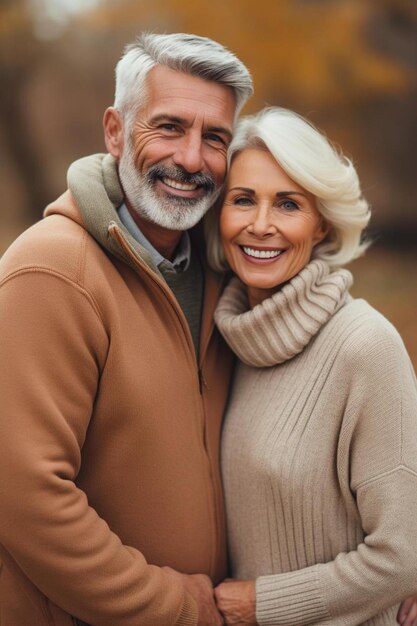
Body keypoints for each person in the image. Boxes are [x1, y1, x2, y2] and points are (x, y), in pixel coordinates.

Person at [0, 33, 253, 626]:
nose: (191, 160)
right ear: (114, 130)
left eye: (213, 137)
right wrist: (170, 607)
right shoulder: (53, 271)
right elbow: (24, 496)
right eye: (168, 127)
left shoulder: (224, 275)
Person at [203, 107, 417, 625]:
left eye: (288, 204)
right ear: (218, 215)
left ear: (321, 223)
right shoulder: (224, 344)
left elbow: (401, 557)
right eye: (243, 200)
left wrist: (260, 604)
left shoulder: (365, 347)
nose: (261, 225)